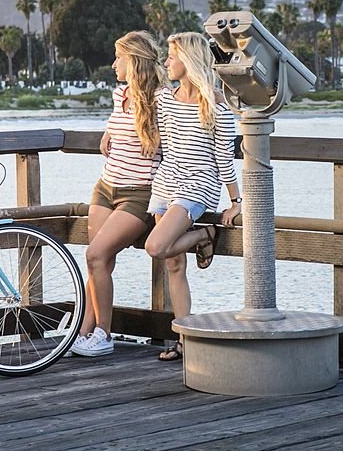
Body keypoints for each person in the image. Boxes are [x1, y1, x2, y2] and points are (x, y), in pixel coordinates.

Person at [143, 32, 241, 362]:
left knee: (155, 246)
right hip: (166, 181)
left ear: (188, 60)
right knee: (172, 262)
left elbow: (223, 158)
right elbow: (157, 137)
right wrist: (110, 132)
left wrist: (235, 201)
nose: (167, 63)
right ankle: (182, 340)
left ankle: (205, 233)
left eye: (172, 57)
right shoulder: (166, 100)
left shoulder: (216, 104)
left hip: (197, 185)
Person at [71, 31, 166, 357]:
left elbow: (178, 143)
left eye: (119, 58)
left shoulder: (161, 100)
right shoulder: (119, 94)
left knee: (95, 255)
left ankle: (104, 334)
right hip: (106, 187)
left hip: (139, 194)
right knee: (100, 261)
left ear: (134, 61)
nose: (113, 64)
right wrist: (107, 132)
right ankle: (84, 330)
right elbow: (119, 127)